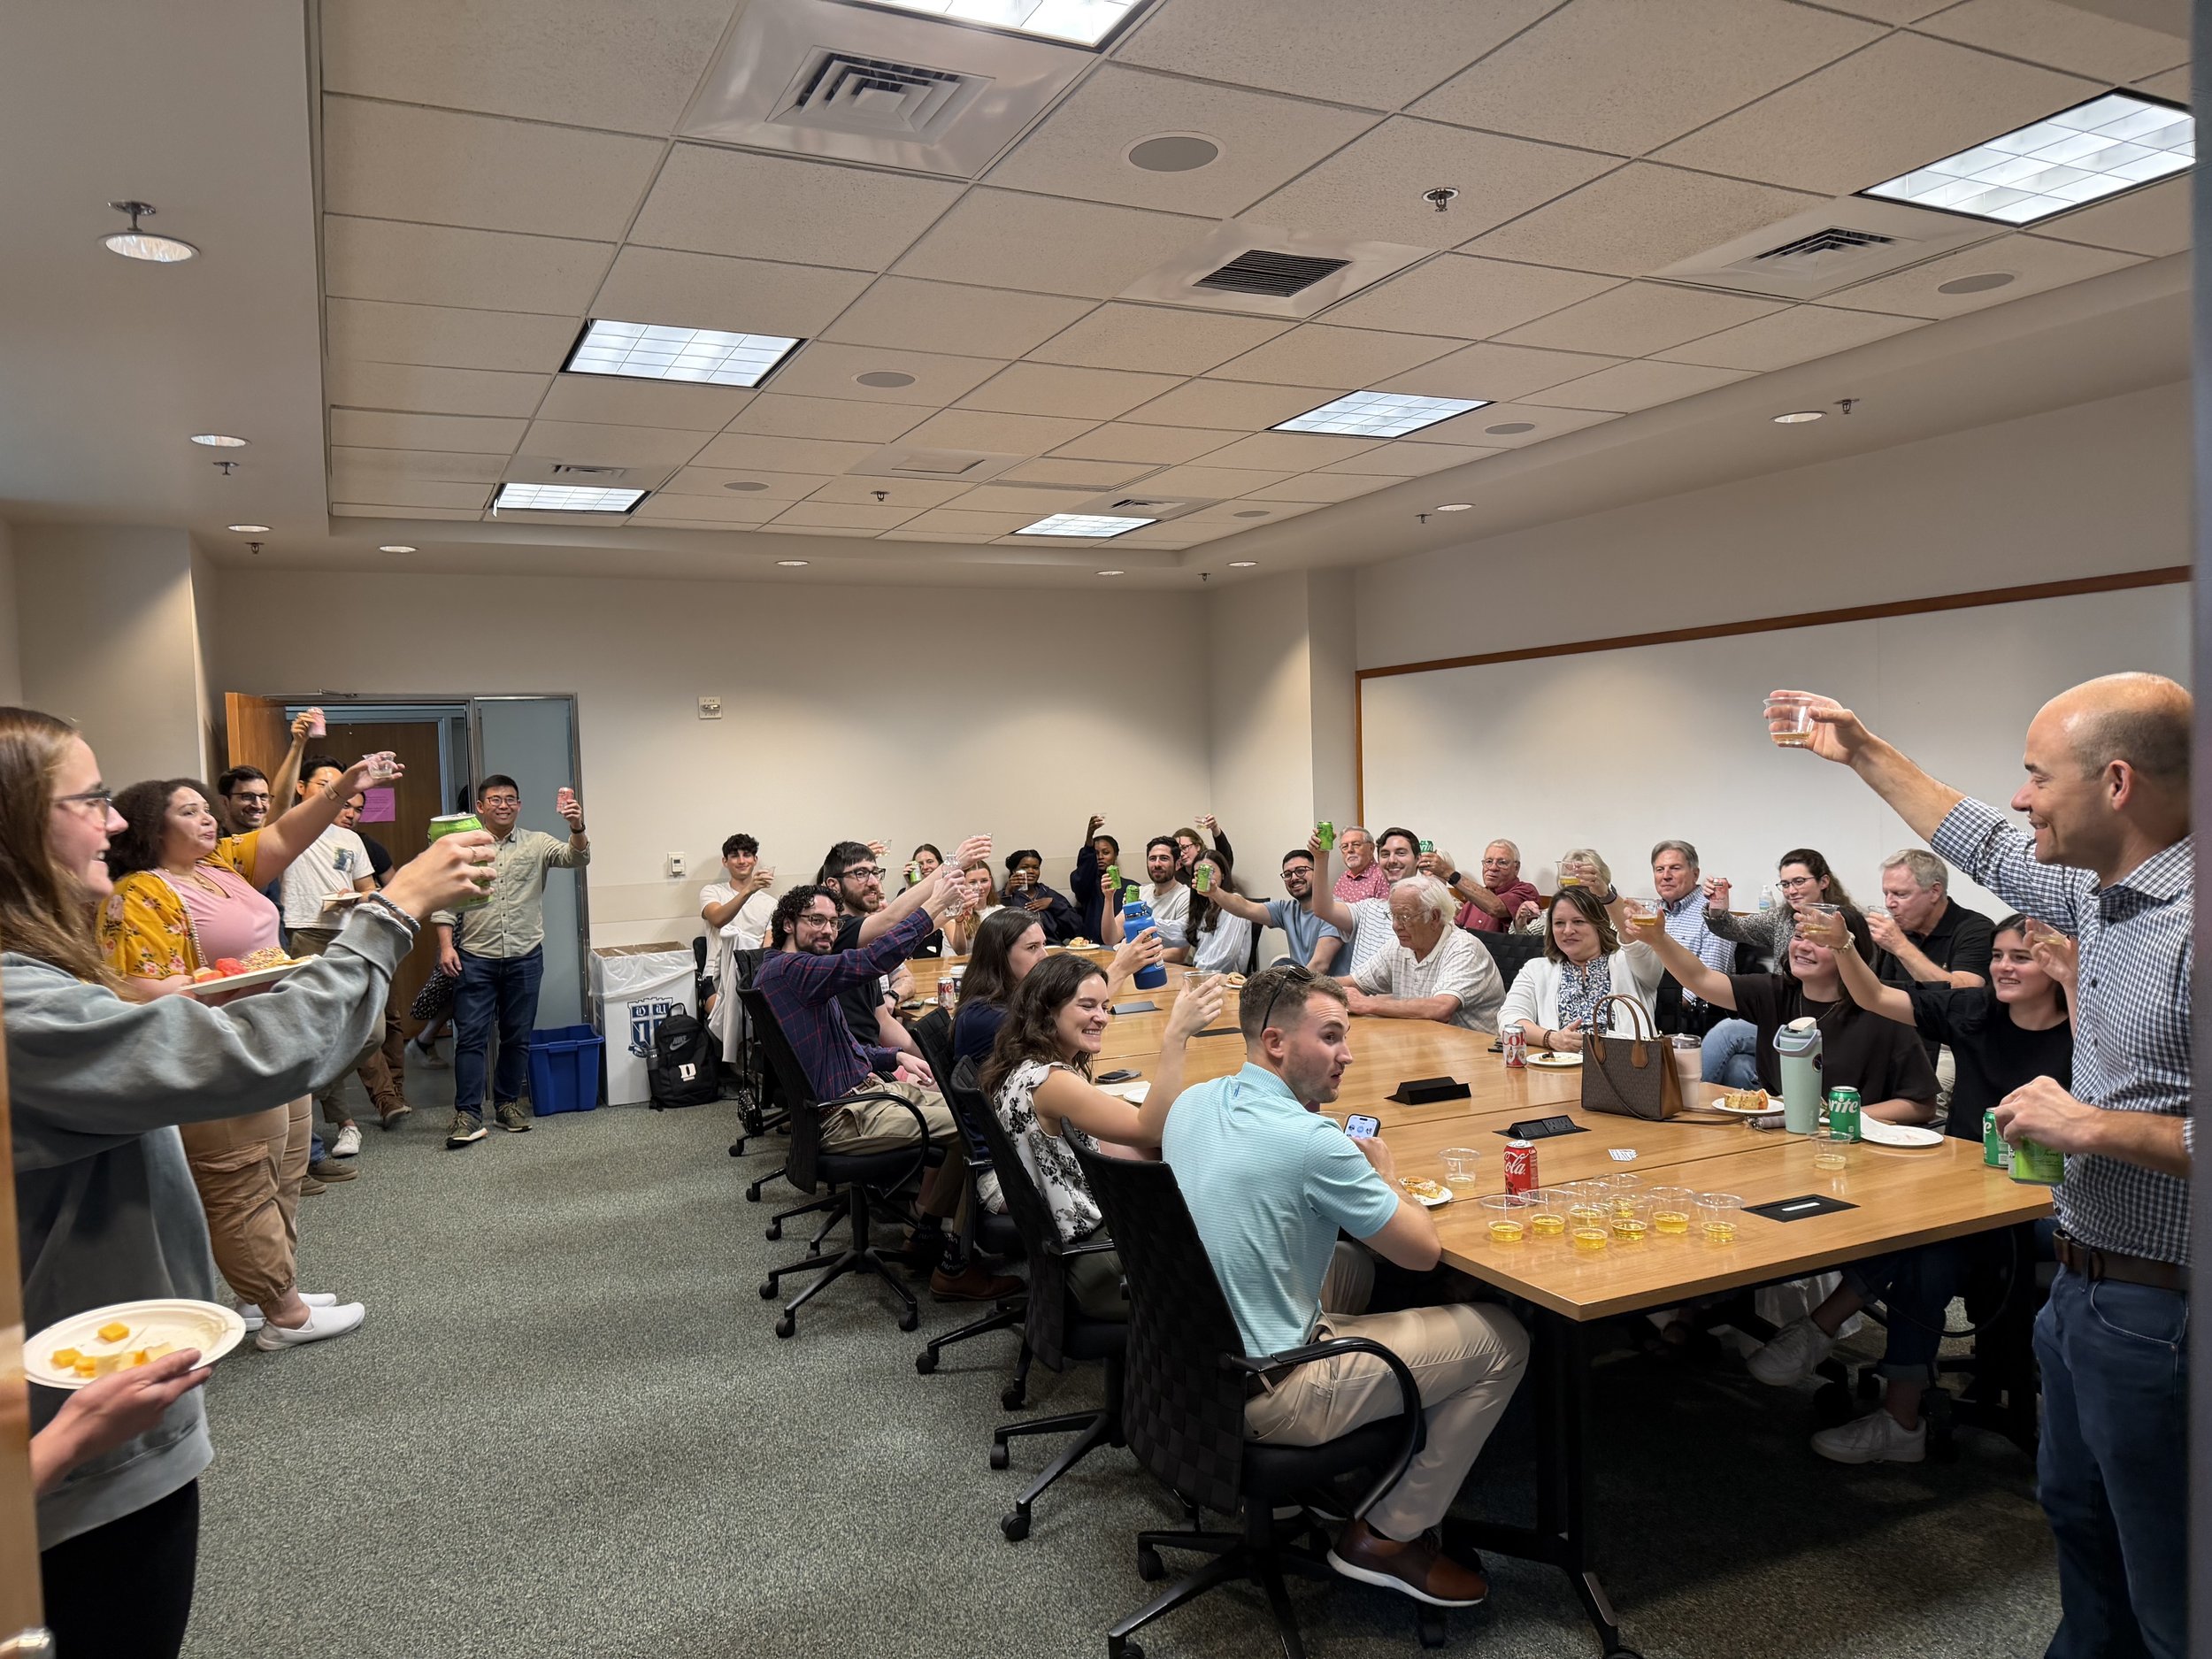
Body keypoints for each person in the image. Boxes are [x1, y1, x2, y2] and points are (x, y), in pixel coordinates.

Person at [4, 705, 493, 1659]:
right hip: (82, 1446)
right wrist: (393, 910)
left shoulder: (45, 968)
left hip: (108, 1406)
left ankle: (280, 1295)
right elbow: (265, 1049)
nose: (114, 822)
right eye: (92, 800)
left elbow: (270, 844)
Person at [1776, 675, 2191, 1655]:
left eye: (2036, 776)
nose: (2019, 799)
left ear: (2118, 782)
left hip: (2164, 1311)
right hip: (2084, 1292)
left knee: (2171, 1582)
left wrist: (2097, 1127)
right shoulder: (2104, 897)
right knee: (2084, 1543)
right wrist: (1862, 749)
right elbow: (1982, 838)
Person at [1162, 964, 1529, 1608]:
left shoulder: (1193, 1099)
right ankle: (1387, 1535)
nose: (1348, 1054)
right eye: (1331, 1036)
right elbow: (1421, 1253)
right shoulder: (1314, 1141)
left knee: (1351, 1264)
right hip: (1269, 1385)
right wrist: (1384, 1174)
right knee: (1503, 1336)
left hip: (1185, 1361)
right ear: (1276, 1042)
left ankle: (1355, 1467)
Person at [1745, 910, 2077, 1463]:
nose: (2003, 967)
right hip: (1968, 1194)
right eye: (1998, 955)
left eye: (2022, 957)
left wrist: (2074, 980)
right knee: (1927, 1244)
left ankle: (1829, 1335)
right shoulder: (1975, 1011)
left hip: (2053, 1207)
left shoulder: (2089, 1032)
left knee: (1928, 1243)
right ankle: (1898, 1417)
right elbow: (1874, 996)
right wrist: (1847, 946)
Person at [103, 760, 398, 1341]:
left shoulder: (216, 865)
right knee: (241, 1183)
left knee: (283, 1170)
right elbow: (138, 989)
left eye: (204, 807)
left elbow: (287, 834)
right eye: (187, 811)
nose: (206, 817)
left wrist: (344, 787)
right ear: (149, 828)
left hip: (272, 1039)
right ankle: (284, 1316)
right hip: (220, 1053)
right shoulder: (139, 893)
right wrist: (227, 979)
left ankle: (264, 1291)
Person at [757, 873, 1014, 1300]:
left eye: (832, 922)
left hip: (861, 1096)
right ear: (788, 924)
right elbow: (870, 961)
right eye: (814, 920)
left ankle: (930, 1233)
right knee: (980, 1125)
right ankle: (955, 1266)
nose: (827, 930)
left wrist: (892, 1056)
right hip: (845, 1116)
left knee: (971, 1110)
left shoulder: (786, 972)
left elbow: (837, 1048)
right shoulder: (793, 970)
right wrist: (931, 911)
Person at [980, 955, 1221, 1318]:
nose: (1102, 1018)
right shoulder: (1052, 1082)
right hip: (1094, 1263)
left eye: (1106, 1006)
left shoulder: (1024, 1063)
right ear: (1048, 1010)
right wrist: (1176, 1037)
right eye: (1087, 1006)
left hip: (1072, 1247)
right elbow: (1149, 1128)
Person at [1642, 901, 1939, 1123]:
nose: (1804, 947)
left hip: (1858, 1146)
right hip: (1786, 1139)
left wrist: (1836, 1120)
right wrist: (1658, 939)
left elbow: (1921, 1104)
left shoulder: (1884, 1006)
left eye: (1820, 940)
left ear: (1849, 949)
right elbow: (1701, 979)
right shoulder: (1777, 992)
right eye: (1799, 936)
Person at [950, 908, 1162, 1217]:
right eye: (1032, 948)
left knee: (1157, 1149)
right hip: (1015, 1168)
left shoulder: (1004, 1009)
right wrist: (1118, 970)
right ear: (1000, 955)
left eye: (1043, 945)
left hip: (1025, 1152)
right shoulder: (993, 1019)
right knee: (1163, 1150)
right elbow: (1147, 1129)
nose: (1044, 955)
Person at [433, 774, 589, 1147]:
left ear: (519, 805)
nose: (503, 805)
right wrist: (445, 946)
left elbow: (577, 857)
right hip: (476, 956)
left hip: (524, 957)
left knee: (517, 1037)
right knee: (470, 1038)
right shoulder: (464, 848)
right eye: (495, 799)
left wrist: (576, 826)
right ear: (481, 807)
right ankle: (468, 1113)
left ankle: (506, 1104)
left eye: (510, 799)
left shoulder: (537, 843)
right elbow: (444, 900)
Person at [281, 756, 408, 1146]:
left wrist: (355, 898)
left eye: (349, 795)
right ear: (302, 789)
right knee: (323, 1033)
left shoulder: (351, 840)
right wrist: (298, 742)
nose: (341, 802)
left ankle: (312, 1084)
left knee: (372, 1034)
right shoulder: (291, 827)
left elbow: (371, 890)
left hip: (349, 936)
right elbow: (278, 797)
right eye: (323, 785)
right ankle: (345, 1124)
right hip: (304, 936)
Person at [1699, 848, 1855, 1088]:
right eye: (1785, 884)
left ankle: (1690, 1102)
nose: (1791, 891)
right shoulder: (1782, 918)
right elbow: (1732, 929)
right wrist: (1717, 907)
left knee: (1727, 1032)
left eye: (1799, 882)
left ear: (1824, 881)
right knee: (1738, 1068)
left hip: (1826, 1018)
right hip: (1782, 1015)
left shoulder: (1845, 922)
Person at [1498, 885, 1664, 1053]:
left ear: (1599, 924)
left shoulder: (1629, 963)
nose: (1568, 931)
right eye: (1559, 923)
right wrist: (1551, 1038)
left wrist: (1608, 895)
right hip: (1559, 1070)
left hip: (1624, 1070)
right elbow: (1508, 1019)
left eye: (1578, 921)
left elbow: (1636, 945)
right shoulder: (1536, 969)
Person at [1341, 874, 1504, 1034]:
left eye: (1404, 917)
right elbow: (1353, 983)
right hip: (1425, 1042)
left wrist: (1369, 1003)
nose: (1396, 926)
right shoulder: (1400, 946)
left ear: (1434, 917)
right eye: (1393, 916)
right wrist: (1317, 982)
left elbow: (1441, 1008)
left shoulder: (1464, 948)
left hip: (1476, 1052)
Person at [1196, 846, 1343, 972]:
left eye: (1301, 871)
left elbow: (1320, 965)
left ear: (1318, 871)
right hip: (1303, 985)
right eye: (1287, 874)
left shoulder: (1334, 910)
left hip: (1331, 991)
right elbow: (1245, 907)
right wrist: (1214, 892)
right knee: (1279, 968)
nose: (1293, 878)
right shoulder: (1287, 909)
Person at [1870, 847, 1994, 989]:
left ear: (1935, 891)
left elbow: (1965, 993)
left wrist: (1900, 946)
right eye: (1886, 894)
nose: (1889, 904)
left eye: (1900, 894)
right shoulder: (1902, 929)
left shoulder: (1976, 930)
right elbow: (1884, 991)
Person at [701, 833, 776, 1061]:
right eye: (734, 856)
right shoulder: (712, 892)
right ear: (725, 862)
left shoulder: (771, 903)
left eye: (747, 855)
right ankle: (739, 1057)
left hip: (752, 976)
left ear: (755, 860)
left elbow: (768, 946)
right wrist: (748, 890)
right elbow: (718, 919)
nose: (741, 860)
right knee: (724, 1020)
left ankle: (751, 1061)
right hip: (715, 977)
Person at [1648, 840, 1734, 1033]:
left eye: (1675, 868)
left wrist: (1663, 1006)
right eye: (1659, 869)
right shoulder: (1650, 912)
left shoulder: (1713, 912)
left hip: (1689, 1019)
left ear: (1695, 873)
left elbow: (1713, 976)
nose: (1666, 876)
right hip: (1647, 1008)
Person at [1426, 840, 1539, 934]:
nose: (1493, 868)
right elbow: (1453, 931)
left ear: (1516, 868)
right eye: (1488, 861)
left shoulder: (1526, 891)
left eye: (1502, 863)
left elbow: (1496, 908)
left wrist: (1448, 872)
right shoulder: (1473, 902)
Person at [1187, 847, 1257, 977]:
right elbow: (1180, 932)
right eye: (1198, 873)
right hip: (1202, 975)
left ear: (1223, 874)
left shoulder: (1234, 904)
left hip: (1227, 981)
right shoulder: (1205, 905)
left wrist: (1193, 975)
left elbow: (1225, 956)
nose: (1204, 877)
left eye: (1210, 872)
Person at [1510, 848, 1613, 933]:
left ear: (1600, 879)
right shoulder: (1557, 910)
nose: (1575, 882)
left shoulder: (1612, 912)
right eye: (1570, 876)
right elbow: (1528, 941)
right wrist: (1520, 923)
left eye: (1582, 876)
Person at [1000, 846, 1080, 944]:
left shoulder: (1048, 894)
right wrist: (1007, 894)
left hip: (1052, 949)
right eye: (1025, 867)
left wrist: (1054, 904)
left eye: (1035, 868)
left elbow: (1077, 928)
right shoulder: (1004, 896)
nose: (1031, 871)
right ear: (1014, 871)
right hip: (1019, 950)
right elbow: (998, 928)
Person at [1139, 835, 1193, 960]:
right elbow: (1111, 937)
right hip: (1139, 964)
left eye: (1164, 858)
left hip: (1173, 968)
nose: (1157, 864)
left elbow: (1179, 954)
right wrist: (1109, 898)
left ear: (1178, 864)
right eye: (1152, 859)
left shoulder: (1187, 896)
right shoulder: (1141, 892)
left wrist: (1137, 956)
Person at [1071, 814, 1120, 941]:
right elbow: (1082, 879)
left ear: (1115, 855)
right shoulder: (1087, 884)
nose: (1100, 857)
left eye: (1106, 852)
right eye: (1096, 853)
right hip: (1094, 944)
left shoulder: (1131, 886)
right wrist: (1089, 839)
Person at [945, 858, 1002, 956]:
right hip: (953, 968)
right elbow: (960, 951)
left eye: (984, 881)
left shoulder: (1000, 911)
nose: (979, 887)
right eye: (973, 882)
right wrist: (959, 922)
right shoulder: (951, 911)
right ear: (963, 883)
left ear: (990, 881)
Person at [1332, 825, 1391, 903]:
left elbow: (1384, 914)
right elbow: (1334, 910)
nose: (1350, 850)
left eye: (1356, 844)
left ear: (1371, 848)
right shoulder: (1343, 879)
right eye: (1345, 846)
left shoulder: (1383, 876)